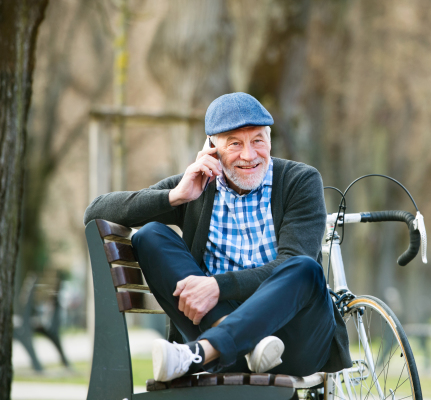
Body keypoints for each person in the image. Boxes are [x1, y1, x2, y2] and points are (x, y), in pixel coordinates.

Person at [84, 92, 351, 382]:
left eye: (258, 140)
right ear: (211, 147)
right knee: (150, 236)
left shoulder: (300, 181)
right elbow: (95, 211)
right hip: (232, 351)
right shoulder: (196, 187)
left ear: (270, 141)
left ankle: (200, 352)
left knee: (304, 267)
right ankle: (244, 341)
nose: (249, 155)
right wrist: (175, 196)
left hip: (293, 343)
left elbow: (293, 264)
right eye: (235, 143)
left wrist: (217, 286)